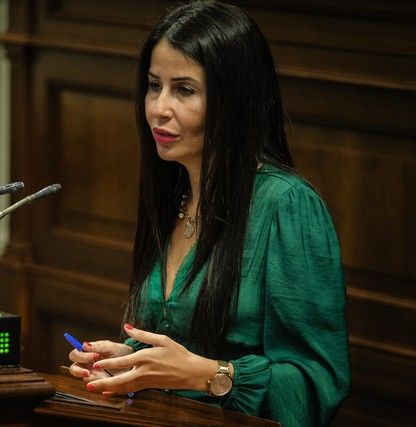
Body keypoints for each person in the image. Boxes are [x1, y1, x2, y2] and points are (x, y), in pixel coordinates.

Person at [67, 1, 350, 426]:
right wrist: (133, 365)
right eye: (153, 85)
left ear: (234, 100)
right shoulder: (175, 197)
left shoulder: (287, 206)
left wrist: (209, 376)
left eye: (184, 90)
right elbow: (185, 349)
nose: (159, 108)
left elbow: (315, 387)